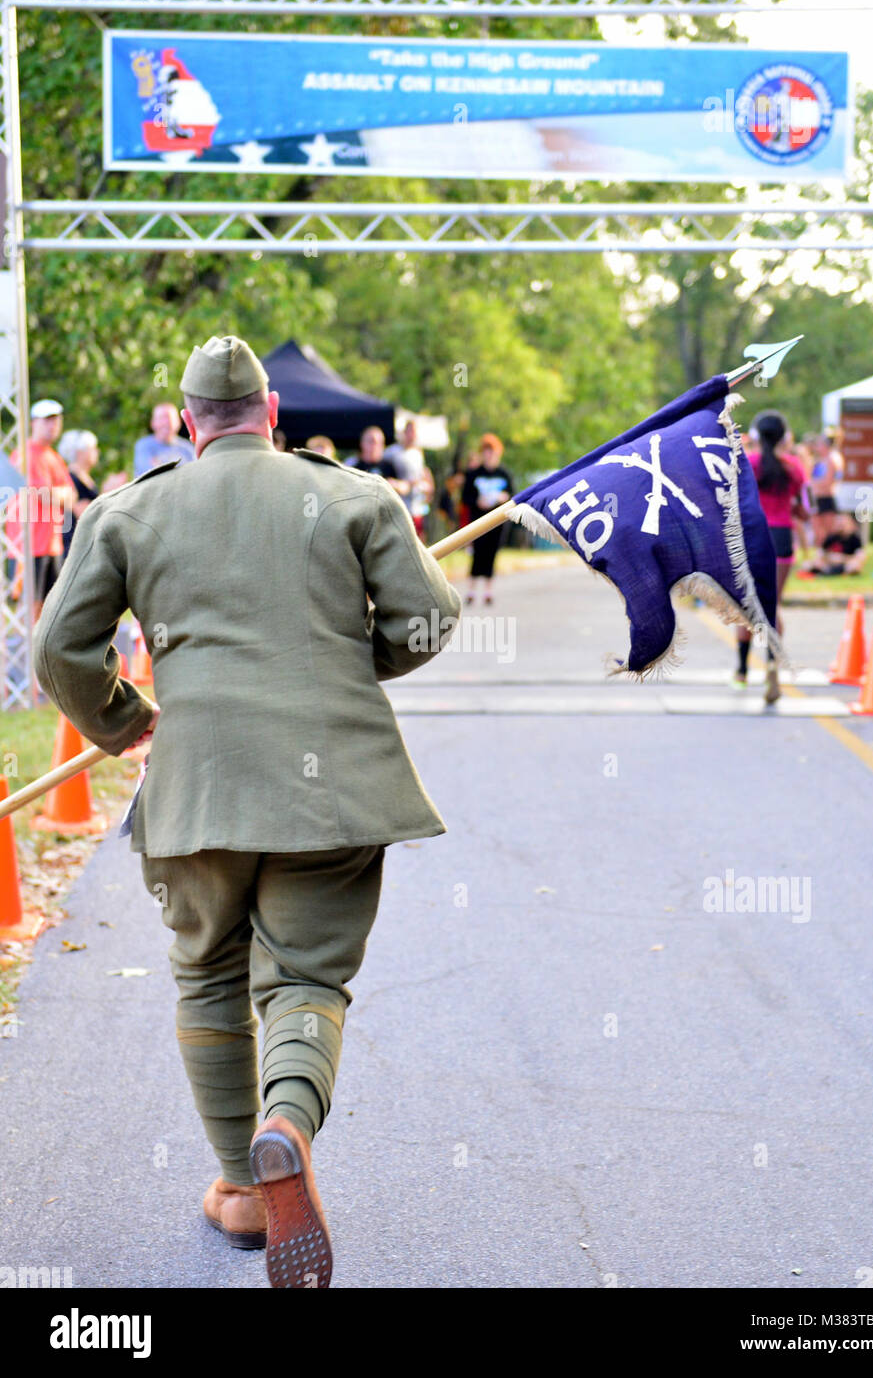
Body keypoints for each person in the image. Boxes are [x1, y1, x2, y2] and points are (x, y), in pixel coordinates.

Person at [33, 335, 461, 1290]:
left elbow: (60, 653)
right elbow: (427, 622)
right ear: (275, 414)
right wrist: (350, 665)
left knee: (209, 978)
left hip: (198, 788)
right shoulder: (355, 495)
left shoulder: (127, 511)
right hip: (335, 788)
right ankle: (286, 1127)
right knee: (307, 980)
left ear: (186, 425)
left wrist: (128, 721)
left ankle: (237, 1185)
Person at [734, 410, 806, 703]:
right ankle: (772, 665)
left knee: (747, 607)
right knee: (771, 607)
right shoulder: (794, 468)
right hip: (782, 540)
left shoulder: (748, 464)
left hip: (753, 539)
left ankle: (741, 671)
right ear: (783, 436)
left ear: (756, 435)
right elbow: (803, 506)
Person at [4, 398, 77, 620]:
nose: (52, 425)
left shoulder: (53, 457)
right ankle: (26, 655)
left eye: (56, 420)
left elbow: (71, 496)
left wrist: (59, 495)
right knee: (30, 610)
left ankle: (40, 654)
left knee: (50, 609)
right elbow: (46, 496)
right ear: (34, 423)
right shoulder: (25, 454)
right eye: (47, 420)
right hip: (28, 545)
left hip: (50, 545)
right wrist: (59, 494)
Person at [461, 434, 515, 607]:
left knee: (491, 554)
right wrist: (477, 501)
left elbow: (514, 497)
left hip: (497, 522)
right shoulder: (474, 474)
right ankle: (471, 590)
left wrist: (503, 498)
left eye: (492, 452)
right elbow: (465, 497)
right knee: (477, 554)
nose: (489, 455)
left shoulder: (505, 474)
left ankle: (488, 591)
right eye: (486, 451)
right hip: (478, 519)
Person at [388, 419, 434, 541]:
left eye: (414, 432)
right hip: (399, 504)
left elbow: (423, 474)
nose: (412, 435)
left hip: (417, 505)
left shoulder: (417, 453)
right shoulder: (393, 452)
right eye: (410, 432)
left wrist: (427, 487)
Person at [58, 430, 101, 558]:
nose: (97, 452)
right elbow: (81, 509)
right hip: (73, 541)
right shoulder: (70, 477)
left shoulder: (84, 476)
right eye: (92, 449)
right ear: (80, 453)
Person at [346, 425, 410, 499]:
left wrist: (394, 485)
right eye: (370, 441)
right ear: (362, 443)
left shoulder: (389, 466)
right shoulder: (354, 467)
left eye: (378, 442)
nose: (374, 446)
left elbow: (405, 487)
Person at [133, 402, 195, 477]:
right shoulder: (144, 446)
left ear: (178, 422)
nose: (165, 423)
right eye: (161, 418)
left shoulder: (187, 448)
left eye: (169, 418)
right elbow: (150, 475)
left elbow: (194, 474)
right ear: (152, 423)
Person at [808, 432, 844, 547]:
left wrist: (814, 484)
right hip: (816, 499)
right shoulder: (819, 461)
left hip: (826, 498)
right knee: (818, 532)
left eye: (819, 444)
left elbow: (827, 482)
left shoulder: (832, 459)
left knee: (829, 532)